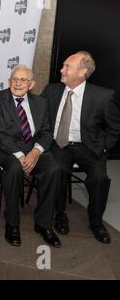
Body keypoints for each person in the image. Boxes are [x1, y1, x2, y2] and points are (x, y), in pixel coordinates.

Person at [41, 51, 120, 244]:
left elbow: (114, 127)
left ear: (82, 72)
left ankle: (96, 223)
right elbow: (41, 119)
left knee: (100, 178)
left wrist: (102, 147)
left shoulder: (103, 96)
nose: (62, 69)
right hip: (59, 145)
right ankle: (60, 214)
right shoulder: (51, 91)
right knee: (57, 170)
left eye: (67, 66)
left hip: (89, 146)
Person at [0, 65, 64, 248]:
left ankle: (43, 224)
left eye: (23, 80)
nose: (18, 83)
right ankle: (12, 224)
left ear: (31, 84)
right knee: (13, 168)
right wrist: (20, 155)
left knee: (54, 168)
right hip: (7, 150)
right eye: (14, 79)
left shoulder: (41, 103)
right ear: (8, 82)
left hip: (34, 148)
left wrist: (36, 152)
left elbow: (46, 132)